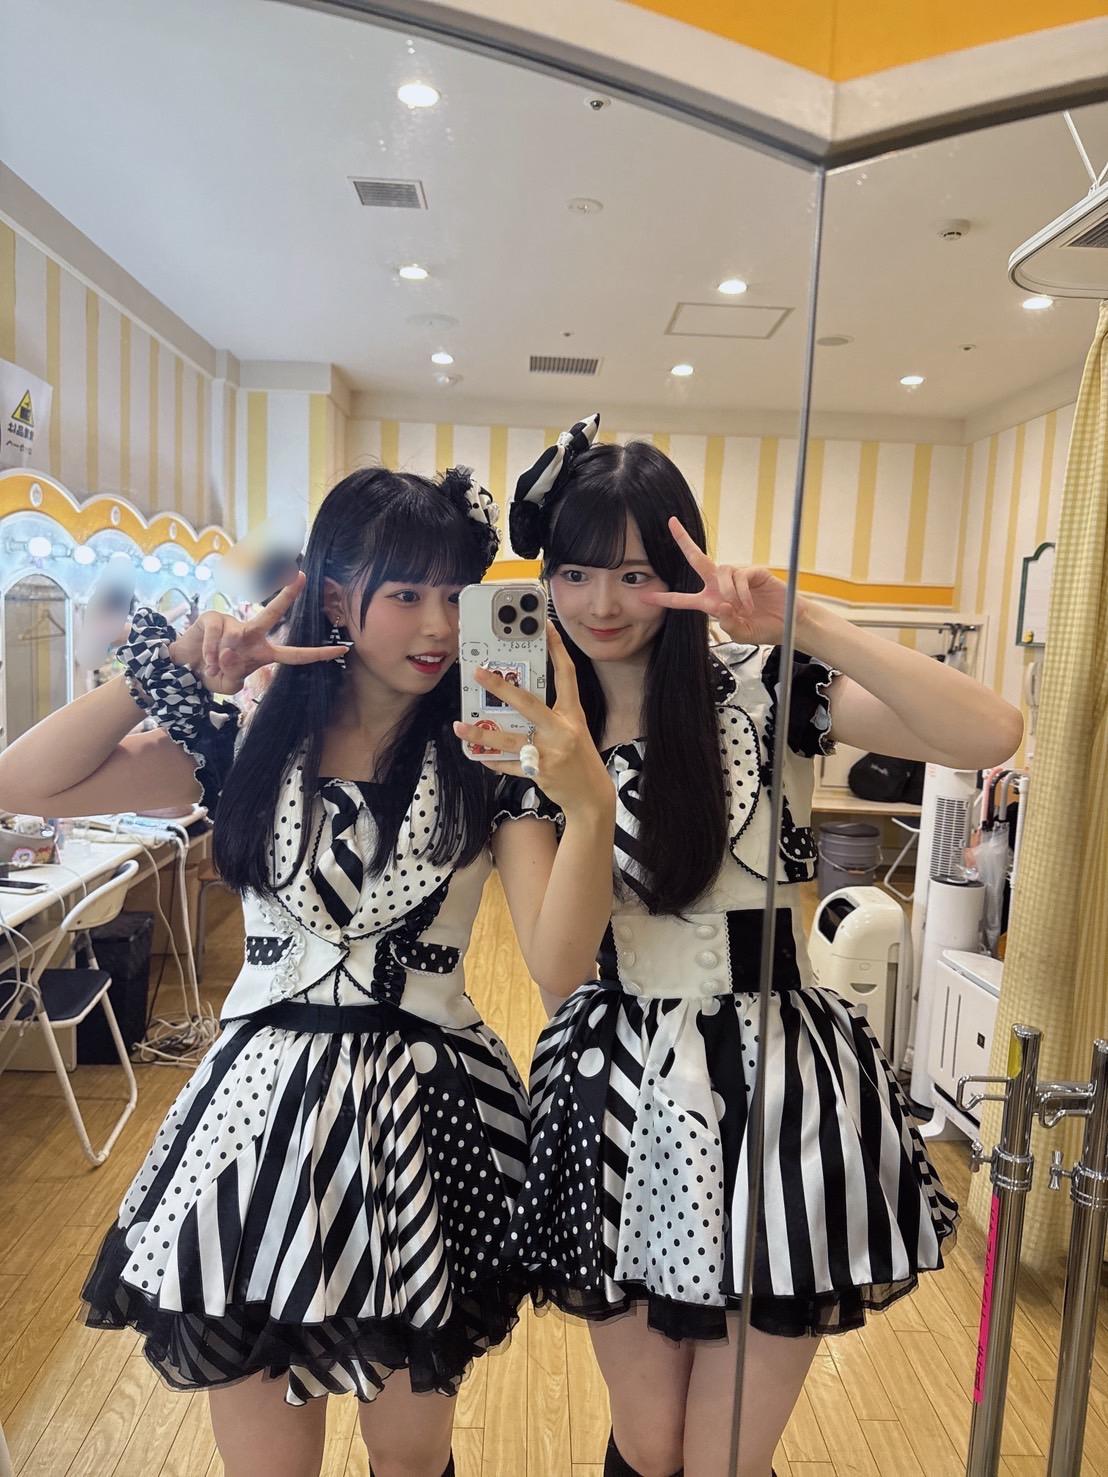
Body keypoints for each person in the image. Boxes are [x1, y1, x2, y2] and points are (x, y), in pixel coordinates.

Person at [0, 466, 614, 1477]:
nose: (436, 625)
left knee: (411, 1456)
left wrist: (585, 805)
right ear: (335, 597)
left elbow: (559, 966)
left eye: (453, 595)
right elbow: (25, 781)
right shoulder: (247, 743)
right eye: (404, 592)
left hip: (425, 1121)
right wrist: (173, 669)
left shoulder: (491, 757)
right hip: (260, 1122)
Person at [502, 418, 1024, 1477]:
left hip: (781, 1082)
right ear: (545, 581)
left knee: (726, 1456)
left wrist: (808, 621)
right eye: (576, 573)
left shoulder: (767, 682)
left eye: (637, 573)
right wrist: (581, 794)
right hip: (620, 1085)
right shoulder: (529, 730)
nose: (602, 603)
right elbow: (555, 969)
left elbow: (988, 731)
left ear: (682, 569)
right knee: (650, 1442)